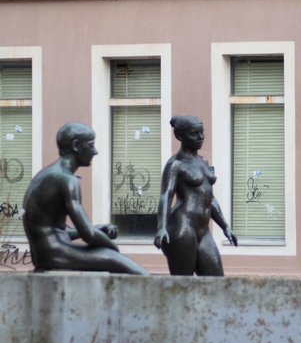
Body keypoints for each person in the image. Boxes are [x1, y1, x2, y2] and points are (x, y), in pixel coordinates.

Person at [22, 122, 149, 275]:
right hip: (53, 253)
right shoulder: (67, 180)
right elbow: (88, 235)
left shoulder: (46, 174)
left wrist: (98, 228)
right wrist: (113, 250)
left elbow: (53, 232)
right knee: (141, 274)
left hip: (46, 251)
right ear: (76, 146)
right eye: (91, 145)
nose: (95, 152)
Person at [154, 115, 238, 276]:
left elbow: (209, 197)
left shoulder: (203, 162)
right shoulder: (175, 164)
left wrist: (225, 226)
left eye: (201, 132)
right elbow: (166, 195)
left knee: (216, 279)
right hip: (182, 226)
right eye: (194, 133)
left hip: (203, 229)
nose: (200, 138)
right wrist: (161, 227)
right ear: (180, 136)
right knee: (183, 282)